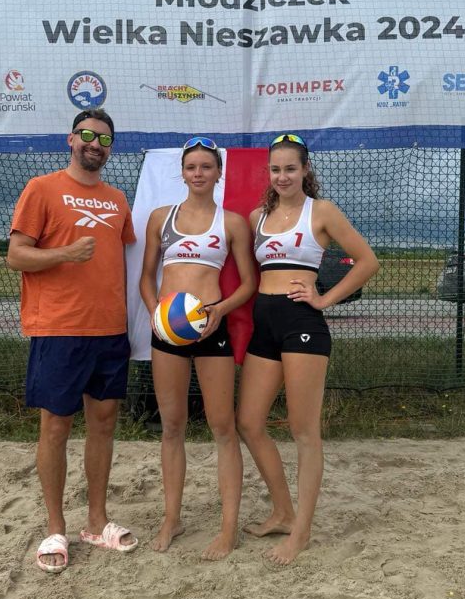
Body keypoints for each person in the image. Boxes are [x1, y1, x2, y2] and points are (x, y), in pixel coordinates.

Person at [236, 133, 379, 565]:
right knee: (249, 422)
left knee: (303, 430)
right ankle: (283, 512)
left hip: (302, 325)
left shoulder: (322, 211)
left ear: (305, 170)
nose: (282, 176)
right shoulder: (257, 217)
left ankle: (301, 532)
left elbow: (368, 261)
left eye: (290, 169)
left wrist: (324, 299)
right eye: (275, 169)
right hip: (264, 323)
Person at [8, 108, 138, 573]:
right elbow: (16, 255)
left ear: (110, 148)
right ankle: (55, 527)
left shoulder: (118, 199)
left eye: (104, 138)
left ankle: (96, 521)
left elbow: (127, 255)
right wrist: (64, 253)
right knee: (56, 427)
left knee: (103, 424)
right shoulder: (41, 188)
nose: (94, 143)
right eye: (86, 135)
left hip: (109, 329)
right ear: (70, 139)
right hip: (59, 328)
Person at [139, 136, 256, 560]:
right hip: (167, 334)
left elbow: (249, 284)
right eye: (192, 167)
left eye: (207, 166)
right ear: (183, 172)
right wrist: (156, 313)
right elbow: (146, 277)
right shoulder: (160, 218)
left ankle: (227, 528)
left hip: (210, 330)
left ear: (218, 173)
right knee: (172, 426)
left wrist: (221, 310)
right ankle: (172, 518)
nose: (199, 173)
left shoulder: (232, 223)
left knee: (222, 427)